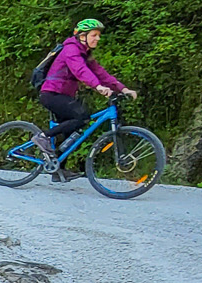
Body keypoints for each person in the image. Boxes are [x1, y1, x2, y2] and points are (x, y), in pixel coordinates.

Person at [39, 18, 137, 179]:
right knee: (82, 116)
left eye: (98, 35)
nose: (97, 38)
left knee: (71, 131)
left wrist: (122, 88)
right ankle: (42, 137)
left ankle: (58, 169)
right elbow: (80, 70)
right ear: (82, 36)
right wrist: (98, 87)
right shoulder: (71, 50)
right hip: (52, 94)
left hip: (64, 95)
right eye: (94, 35)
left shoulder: (85, 53)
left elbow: (100, 73)